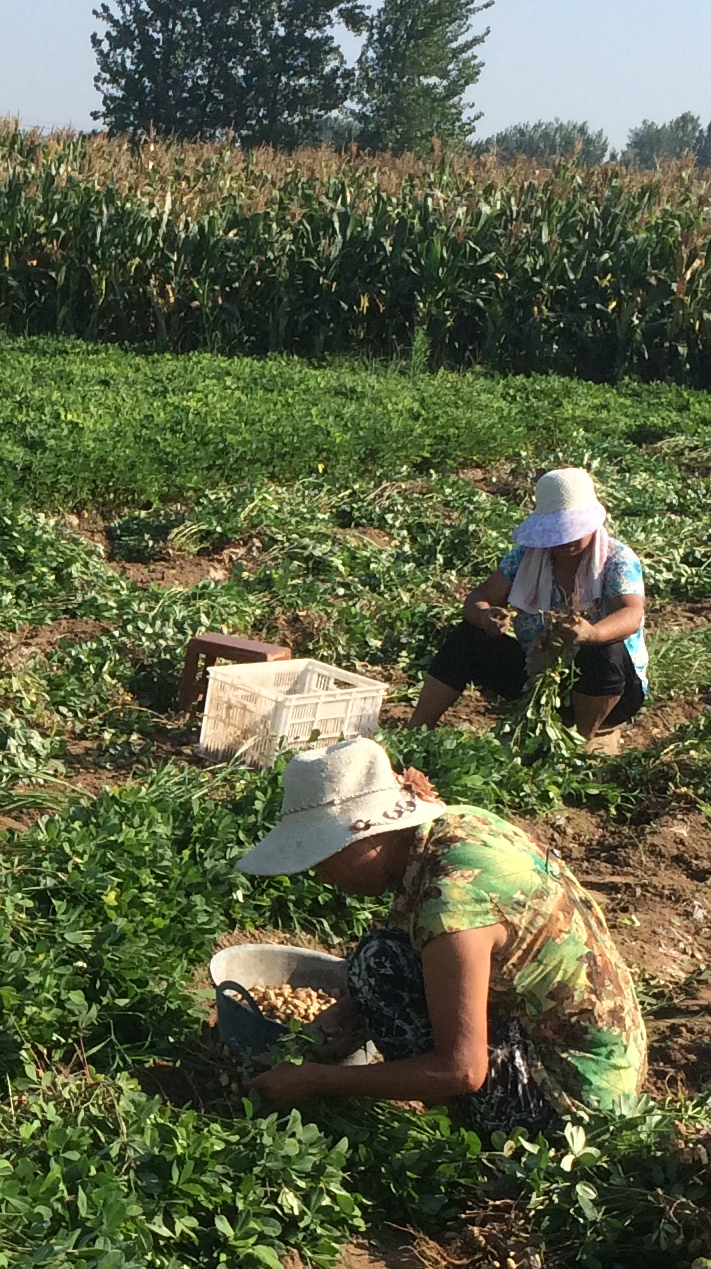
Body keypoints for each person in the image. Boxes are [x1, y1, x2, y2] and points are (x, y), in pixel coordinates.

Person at [236, 735, 647, 1135]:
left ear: (366, 836)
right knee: (380, 963)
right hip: (604, 1064)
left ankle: (487, 1134)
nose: (322, 875)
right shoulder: (456, 826)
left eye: (324, 857)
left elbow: (461, 1070)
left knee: (380, 968)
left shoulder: (453, 902)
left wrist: (316, 1081)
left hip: (574, 1107)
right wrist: (349, 1014)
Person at [411, 464, 649, 740]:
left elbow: (631, 613)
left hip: (613, 691)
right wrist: (486, 616)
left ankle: (583, 739)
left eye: (574, 530)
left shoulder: (616, 559)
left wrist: (592, 633)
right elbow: (478, 599)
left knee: (603, 649)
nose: (567, 541)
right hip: (537, 679)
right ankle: (417, 728)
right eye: (558, 533)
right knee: (467, 637)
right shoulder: (526, 558)